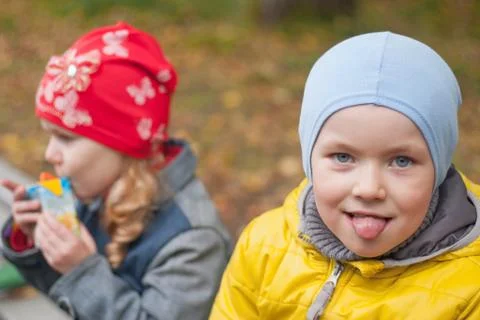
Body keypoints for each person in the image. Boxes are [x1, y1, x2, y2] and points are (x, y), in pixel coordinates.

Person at [209, 31, 480, 319]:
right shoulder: (263, 246)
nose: (368, 188)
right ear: (309, 159)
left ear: (438, 168)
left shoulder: (470, 288)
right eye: (343, 157)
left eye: (401, 161)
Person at [0, 22, 231, 320]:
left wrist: (81, 270)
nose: (49, 154)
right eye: (50, 135)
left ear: (124, 144)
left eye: (66, 138)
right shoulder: (98, 188)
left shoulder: (193, 240)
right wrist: (34, 241)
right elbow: (69, 297)